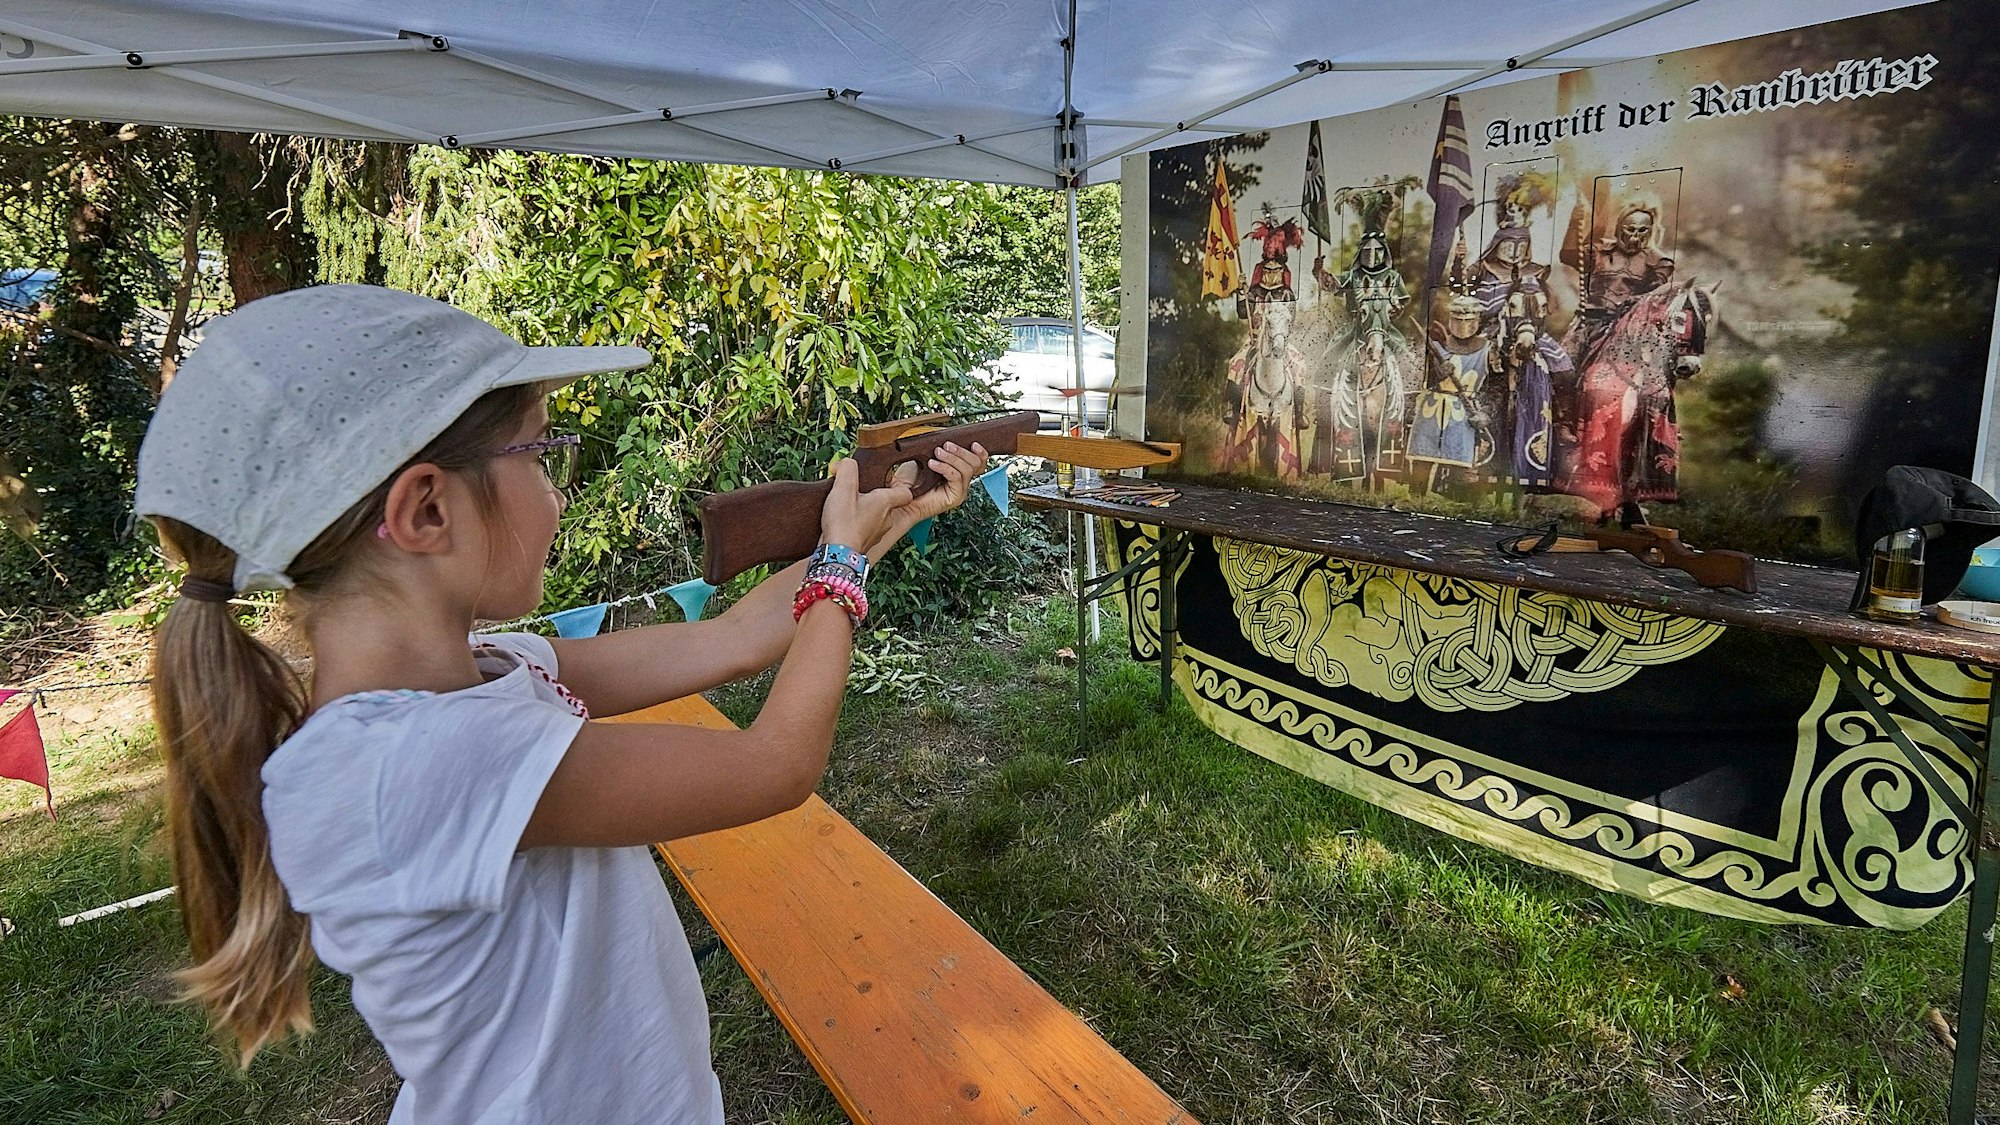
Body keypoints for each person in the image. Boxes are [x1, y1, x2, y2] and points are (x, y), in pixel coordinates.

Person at [133, 285, 990, 1124]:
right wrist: (839, 563)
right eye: (541, 454)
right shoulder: (412, 761)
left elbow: (727, 638)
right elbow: (775, 763)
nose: (558, 491)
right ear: (427, 509)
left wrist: (879, 523)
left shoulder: (489, 674)